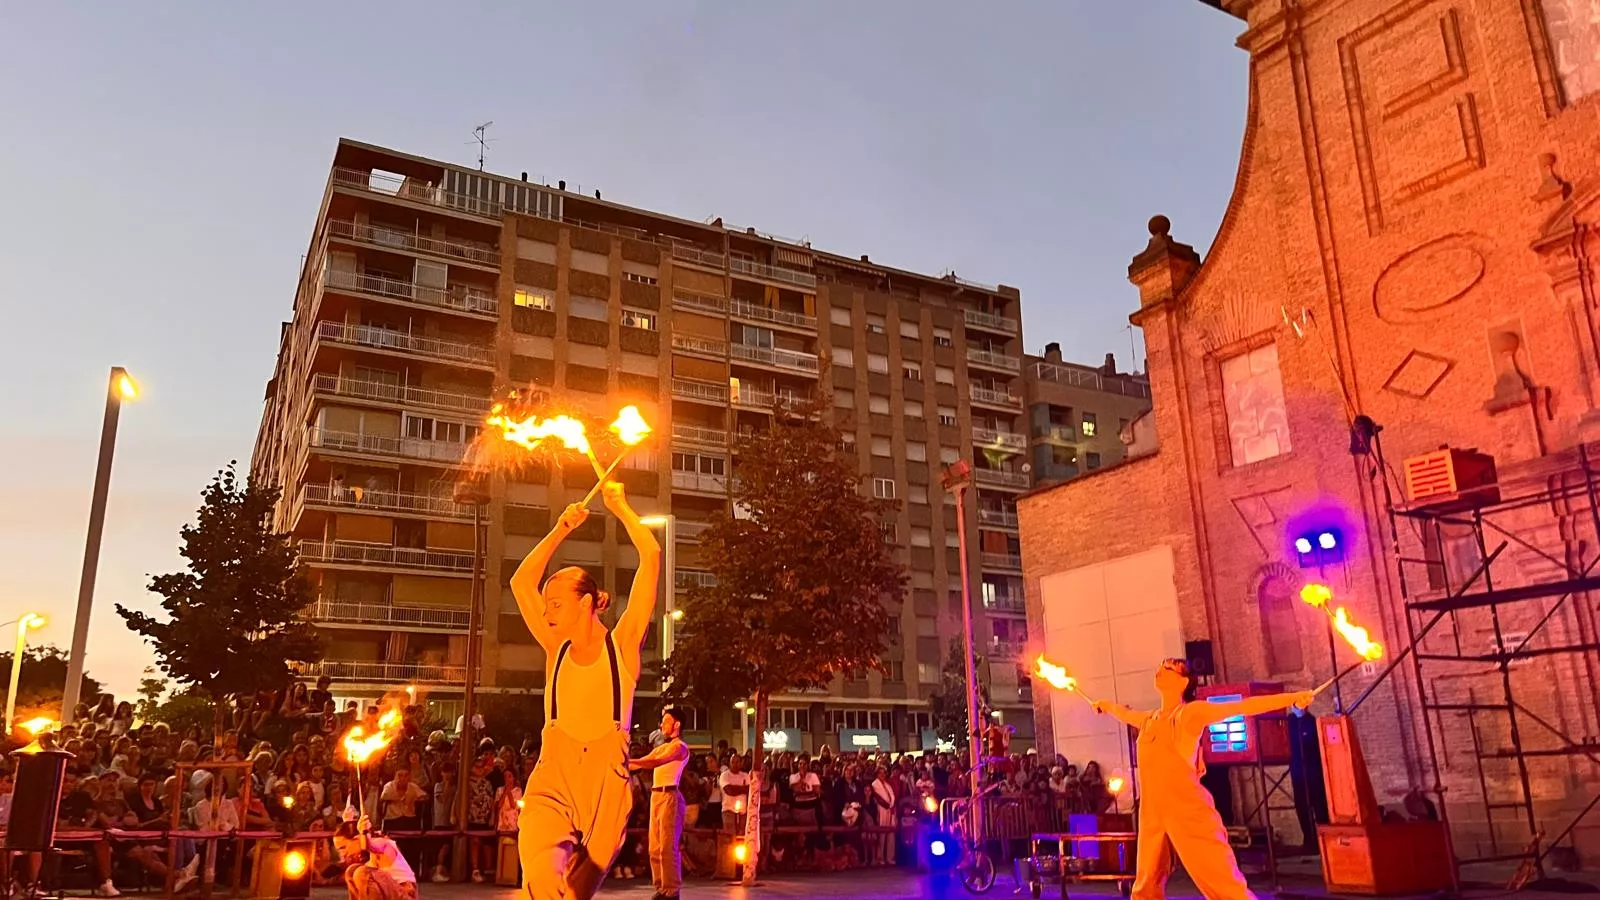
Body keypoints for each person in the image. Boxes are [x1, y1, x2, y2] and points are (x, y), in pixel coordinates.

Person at [511, 482, 662, 900]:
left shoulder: (622, 646)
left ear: (586, 603)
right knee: (542, 875)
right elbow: (521, 583)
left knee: (574, 893)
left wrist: (621, 506)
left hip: (605, 788)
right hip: (553, 775)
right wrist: (562, 528)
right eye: (546, 605)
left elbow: (651, 555)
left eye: (556, 604)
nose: (546, 612)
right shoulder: (554, 647)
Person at [1090, 658, 1313, 900]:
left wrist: (1291, 699)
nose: (1160, 670)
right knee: (1146, 884)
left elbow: (1241, 707)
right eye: (1160, 667)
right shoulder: (1148, 720)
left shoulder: (1190, 713)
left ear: (1183, 682)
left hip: (1186, 807)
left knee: (1221, 881)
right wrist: (1104, 705)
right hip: (1152, 810)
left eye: (1168, 668)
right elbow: (1123, 712)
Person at [629, 706, 691, 900]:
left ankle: (671, 890)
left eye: (666, 721)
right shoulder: (662, 747)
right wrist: (623, 762)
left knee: (667, 846)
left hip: (670, 796)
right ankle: (661, 888)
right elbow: (645, 760)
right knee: (654, 847)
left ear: (677, 724)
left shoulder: (680, 747)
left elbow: (654, 761)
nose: (662, 725)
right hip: (656, 796)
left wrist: (630, 762)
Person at [346, 814, 418, 900]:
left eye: (343, 847)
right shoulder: (368, 860)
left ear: (356, 838)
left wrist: (363, 832)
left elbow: (369, 846)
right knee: (351, 871)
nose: (343, 853)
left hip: (405, 894)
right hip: (392, 893)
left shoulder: (383, 843)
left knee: (362, 873)